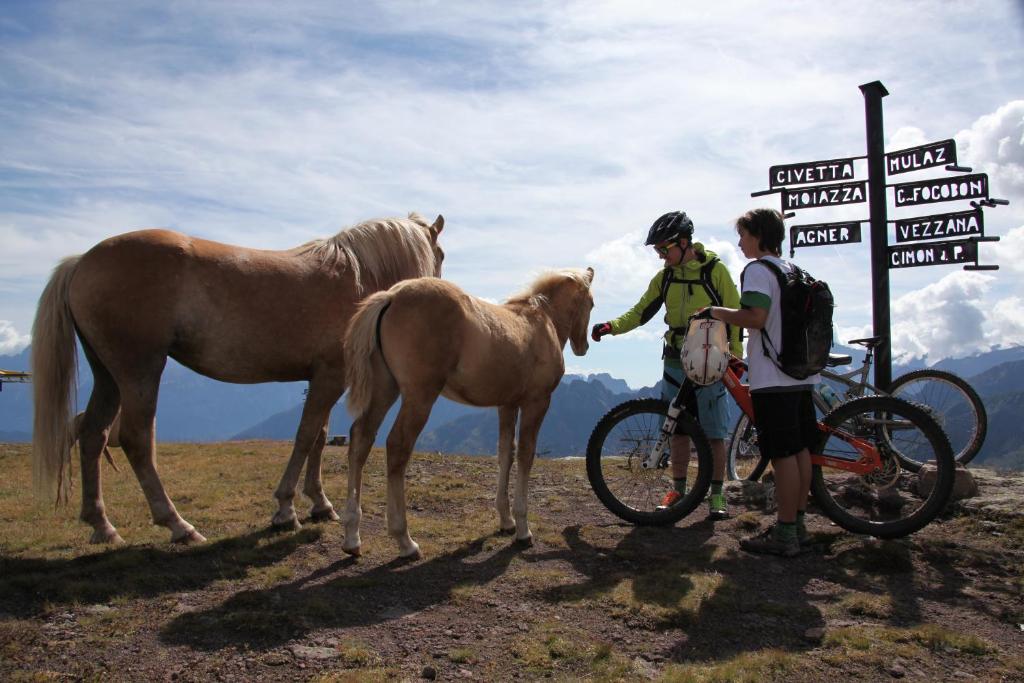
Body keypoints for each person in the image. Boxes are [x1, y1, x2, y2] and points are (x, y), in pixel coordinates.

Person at [591, 211, 742, 519]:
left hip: (711, 359)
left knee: (713, 433)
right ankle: (679, 491)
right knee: (677, 430)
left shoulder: (716, 271)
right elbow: (640, 311)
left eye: (664, 249)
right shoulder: (666, 277)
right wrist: (611, 326)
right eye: (657, 250)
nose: (660, 256)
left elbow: (735, 316)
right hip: (675, 359)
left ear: (684, 243)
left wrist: (735, 356)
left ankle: (716, 495)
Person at [699, 208, 819, 556]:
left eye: (744, 235)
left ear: (758, 235)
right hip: (800, 373)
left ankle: (783, 535)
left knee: (781, 455)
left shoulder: (757, 270)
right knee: (799, 452)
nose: (739, 242)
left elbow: (756, 316)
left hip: (774, 376)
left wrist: (715, 311)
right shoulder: (793, 269)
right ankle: (797, 526)